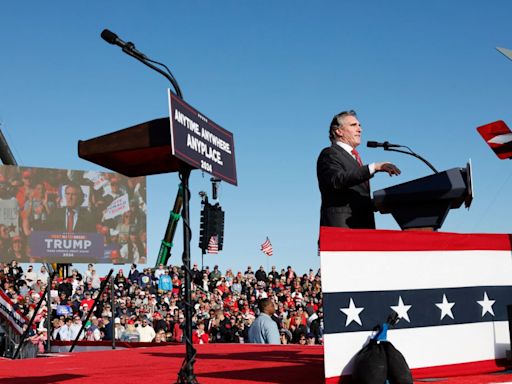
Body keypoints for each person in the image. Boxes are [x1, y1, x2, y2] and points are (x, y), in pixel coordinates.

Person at [317, 110, 401, 229]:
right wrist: (374, 167)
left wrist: (377, 203)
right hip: (342, 229)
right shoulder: (330, 153)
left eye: (360, 125)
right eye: (353, 125)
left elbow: (352, 197)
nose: (360, 129)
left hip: (362, 229)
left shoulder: (354, 159)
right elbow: (336, 180)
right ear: (339, 131)